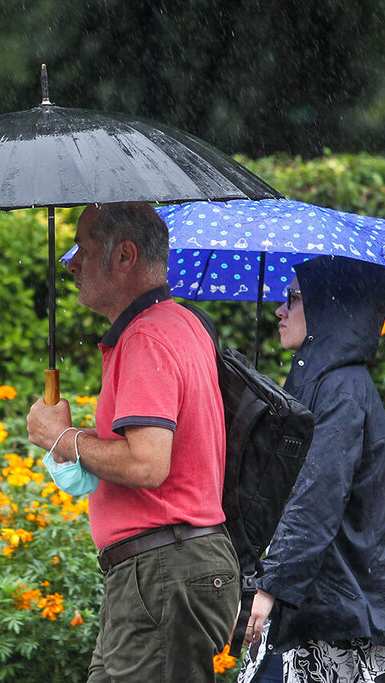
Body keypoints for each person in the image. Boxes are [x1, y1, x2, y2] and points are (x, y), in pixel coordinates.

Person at [26, 202, 241, 682]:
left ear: (124, 256)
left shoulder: (147, 338)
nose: (71, 264)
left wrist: (61, 438)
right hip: (163, 569)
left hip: (162, 568)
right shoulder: (181, 322)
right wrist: (76, 441)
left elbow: (147, 464)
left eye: (83, 249)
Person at [238, 256, 385, 683]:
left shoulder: (342, 389)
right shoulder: (316, 382)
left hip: (335, 619)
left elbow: (315, 500)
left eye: (293, 298)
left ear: (329, 305)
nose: (280, 310)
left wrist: (269, 587)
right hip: (316, 609)